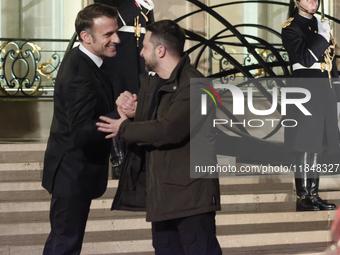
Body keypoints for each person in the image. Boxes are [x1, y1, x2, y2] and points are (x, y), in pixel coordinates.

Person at [96, 20, 222, 255]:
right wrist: (134, 114)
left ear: (160, 51)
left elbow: (169, 130)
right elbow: (158, 123)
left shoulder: (196, 85)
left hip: (190, 200)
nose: (140, 52)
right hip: (163, 197)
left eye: (144, 46)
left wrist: (123, 128)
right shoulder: (155, 84)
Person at [41, 4, 120, 254]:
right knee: (64, 244)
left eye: (115, 32)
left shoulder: (89, 62)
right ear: (86, 36)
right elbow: (82, 132)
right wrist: (121, 115)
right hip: (71, 174)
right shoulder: (79, 71)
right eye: (108, 34)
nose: (117, 39)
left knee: (65, 242)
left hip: (76, 173)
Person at [282, 0, 339, 211]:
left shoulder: (320, 24)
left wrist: (337, 94)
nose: (313, 2)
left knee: (318, 143)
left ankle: (314, 194)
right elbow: (306, 58)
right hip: (304, 90)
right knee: (304, 142)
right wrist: (323, 37)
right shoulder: (291, 27)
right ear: (297, 2)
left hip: (324, 89)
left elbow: (330, 64)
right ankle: (303, 195)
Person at [93, 0, 154, 178]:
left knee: (139, 100)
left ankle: (137, 156)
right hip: (120, 54)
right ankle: (118, 157)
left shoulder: (144, 3)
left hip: (139, 54)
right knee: (117, 101)